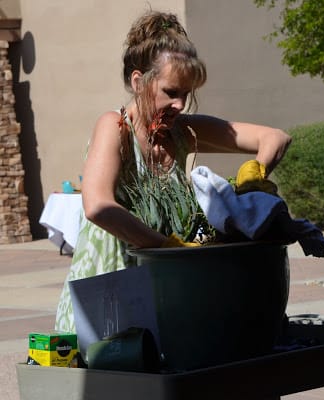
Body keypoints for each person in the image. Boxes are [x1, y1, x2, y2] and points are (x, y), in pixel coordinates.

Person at [55, 10, 292, 333]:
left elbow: (275, 138)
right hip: (106, 297)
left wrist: (255, 175)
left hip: (160, 295)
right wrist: (167, 248)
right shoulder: (114, 127)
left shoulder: (183, 131)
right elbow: (98, 206)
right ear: (139, 81)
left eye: (185, 93)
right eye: (171, 91)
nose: (180, 104)